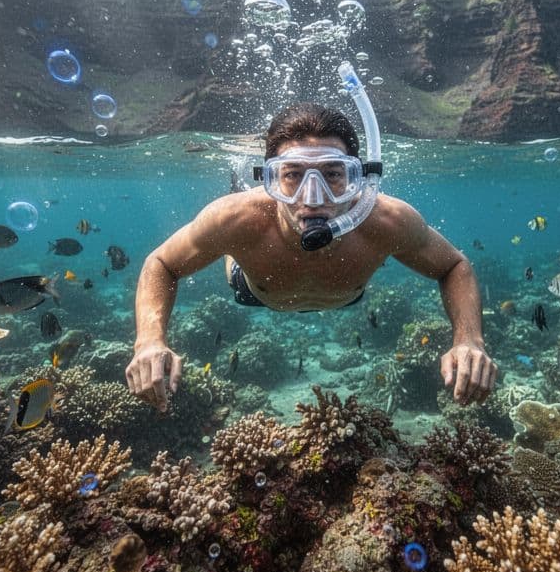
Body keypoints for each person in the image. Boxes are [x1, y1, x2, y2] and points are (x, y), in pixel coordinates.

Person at [126, 102, 497, 410]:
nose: (313, 197)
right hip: (253, 291)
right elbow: (161, 263)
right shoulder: (235, 218)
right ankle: (238, 199)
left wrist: (469, 341)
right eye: (292, 175)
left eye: (334, 175)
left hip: (346, 298)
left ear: (358, 179)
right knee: (234, 249)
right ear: (269, 180)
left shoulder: (387, 220)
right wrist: (149, 342)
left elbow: (454, 265)